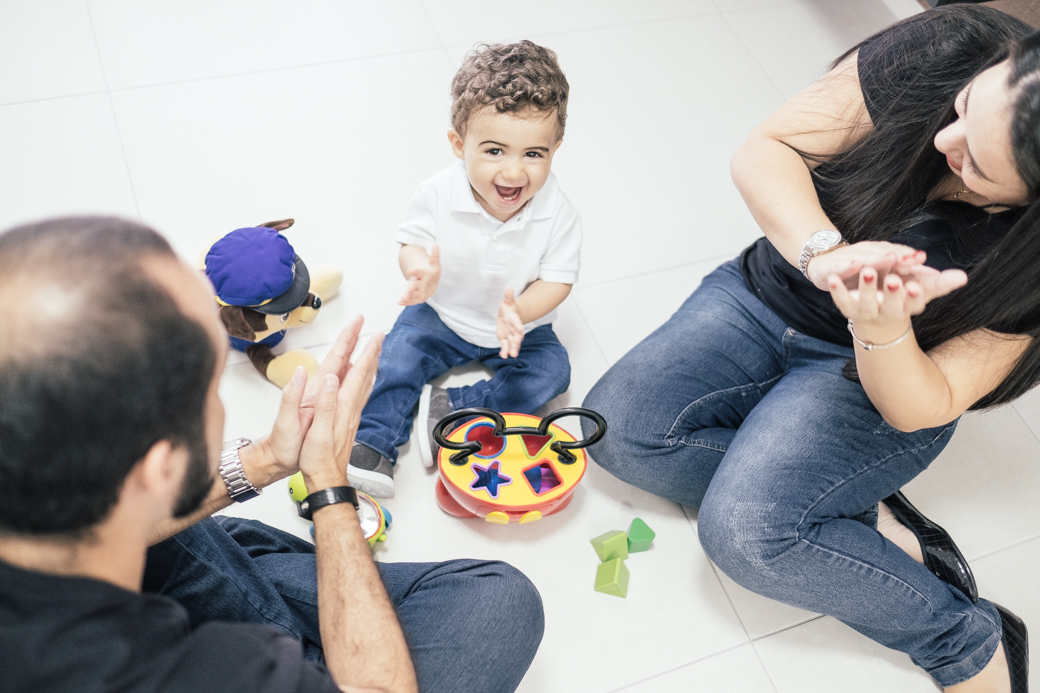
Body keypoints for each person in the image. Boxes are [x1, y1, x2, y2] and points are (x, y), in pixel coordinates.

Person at [582, 6, 1037, 692]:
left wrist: (880, 326)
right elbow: (766, 150)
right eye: (964, 106)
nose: (946, 138)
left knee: (747, 535)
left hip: (879, 371)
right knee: (618, 431)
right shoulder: (948, 47)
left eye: (978, 162)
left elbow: (929, 400)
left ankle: (965, 639)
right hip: (766, 292)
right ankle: (844, 508)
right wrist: (826, 256)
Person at [0, 216, 544, 693]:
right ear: (159, 469)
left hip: (162, 573)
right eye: (213, 387)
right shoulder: (202, 674)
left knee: (215, 546)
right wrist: (329, 487)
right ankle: (308, 655)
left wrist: (267, 458)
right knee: (500, 601)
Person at [347, 40, 581, 496]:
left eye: (534, 154)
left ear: (555, 147)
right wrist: (419, 272)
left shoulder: (560, 212)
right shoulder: (437, 192)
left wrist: (522, 312)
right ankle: (374, 442)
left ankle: (457, 409)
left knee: (552, 374)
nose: (514, 172)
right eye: (495, 151)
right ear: (459, 144)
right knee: (397, 357)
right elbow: (412, 243)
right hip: (442, 311)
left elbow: (557, 279)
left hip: (518, 328)